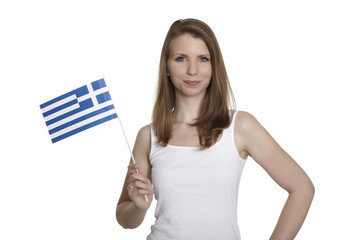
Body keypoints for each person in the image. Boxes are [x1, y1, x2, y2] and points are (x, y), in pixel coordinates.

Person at [116, 18, 314, 240]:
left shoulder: (240, 126)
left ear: (214, 66)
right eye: (181, 59)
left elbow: (302, 188)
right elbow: (125, 219)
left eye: (203, 59)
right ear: (167, 67)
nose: (193, 70)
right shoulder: (148, 136)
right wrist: (139, 207)